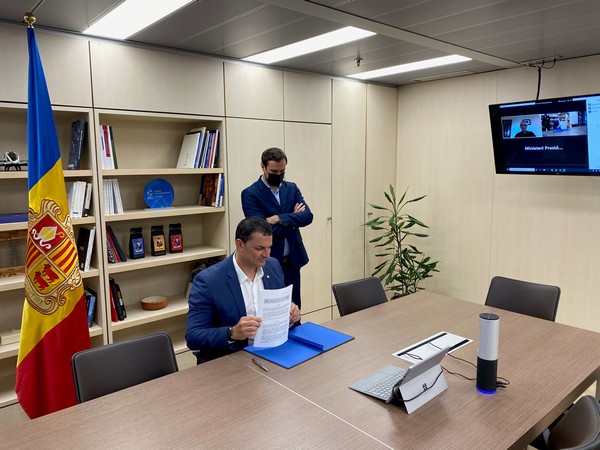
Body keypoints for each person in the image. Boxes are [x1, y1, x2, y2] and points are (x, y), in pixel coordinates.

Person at [186, 217, 301, 363]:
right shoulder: (208, 281)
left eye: (269, 247)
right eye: (259, 248)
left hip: (273, 353)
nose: (267, 254)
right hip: (232, 360)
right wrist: (232, 332)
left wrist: (290, 314)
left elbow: (280, 304)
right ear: (240, 245)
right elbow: (194, 336)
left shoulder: (273, 266)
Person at [241, 147, 313, 309]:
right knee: (273, 311)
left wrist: (279, 218)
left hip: (292, 261)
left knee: (294, 311)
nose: (279, 175)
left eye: (282, 171)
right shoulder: (250, 194)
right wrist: (293, 219)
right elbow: (259, 231)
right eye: (274, 171)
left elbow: (308, 216)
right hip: (268, 262)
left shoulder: (291, 188)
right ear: (263, 167)